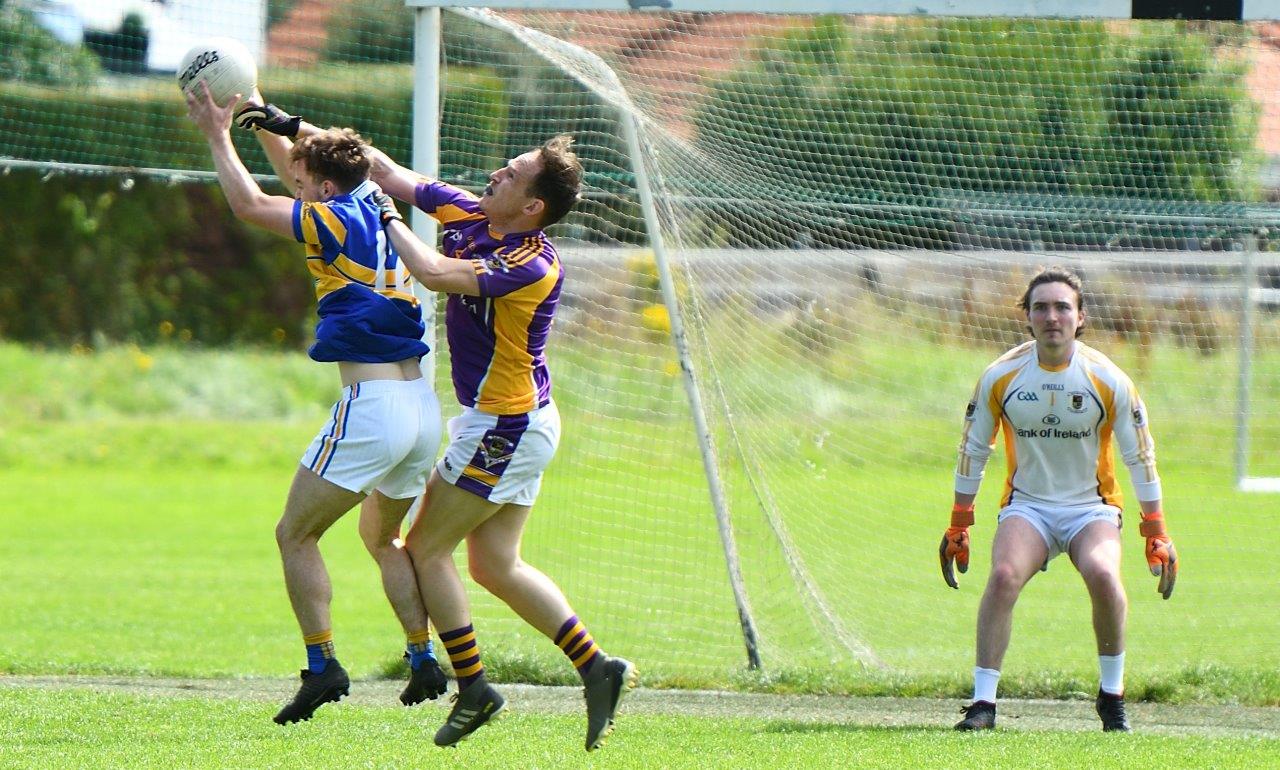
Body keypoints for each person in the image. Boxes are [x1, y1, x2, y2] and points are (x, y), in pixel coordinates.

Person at [186, 84, 449, 724]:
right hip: (421, 408)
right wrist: (266, 119)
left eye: (302, 183)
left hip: (374, 407)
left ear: (323, 189)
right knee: (383, 539)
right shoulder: (368, 201)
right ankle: (422, 658)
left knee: (295, 534)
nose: (294, 188)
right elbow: (304, 166)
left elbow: (250, 203)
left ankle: (323, 664)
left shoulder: (328, 216)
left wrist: (220, 134)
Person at [939, 266, 1178, 733]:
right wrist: (958, 523)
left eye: (1062, 307)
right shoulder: (1000, 376)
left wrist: (1156, 531)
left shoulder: (1109, 380)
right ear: (1026, 317)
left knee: (1105, 574)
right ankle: (983, 705)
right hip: (1028, 506)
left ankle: (1112, 698)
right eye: (1041, 307)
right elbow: (973, 449)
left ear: (1081, 316)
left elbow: (1140, 457)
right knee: (1004, 575)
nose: (1052, 316)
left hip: (1092, 509)